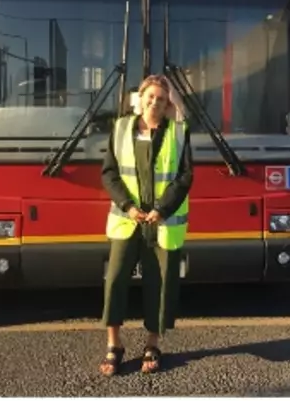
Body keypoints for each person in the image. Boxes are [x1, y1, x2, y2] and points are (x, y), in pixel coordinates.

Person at [98, 74, 193, 375]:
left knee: (161, 285)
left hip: (163, 223)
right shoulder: (120, 127)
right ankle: (114, 345)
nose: (154, 102)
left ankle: (153, 344)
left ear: (167, 105)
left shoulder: (179, 133)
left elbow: (185, 177)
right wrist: (128, 206)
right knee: (114, 280)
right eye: (149, 97)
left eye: (161, 99)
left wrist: (162, 210)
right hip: (128, 221)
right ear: (139, 99)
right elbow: (109, 174)